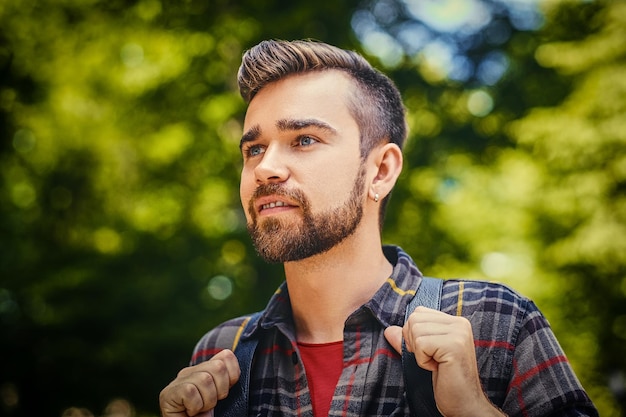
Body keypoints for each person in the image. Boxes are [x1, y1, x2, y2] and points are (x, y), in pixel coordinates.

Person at [159, 39, 598, 417]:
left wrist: (474, 410)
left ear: (381, 170)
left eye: (304, 139)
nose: (266, 168)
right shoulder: (221, 355)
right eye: (254, 148)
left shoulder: (497, 324)